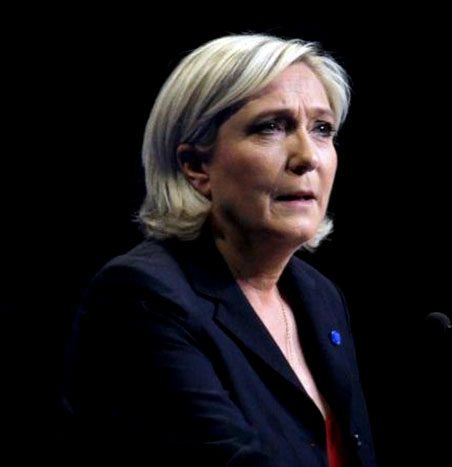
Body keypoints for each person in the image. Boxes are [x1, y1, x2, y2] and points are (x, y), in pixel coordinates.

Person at [60, 33, 376, 467]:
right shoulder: (142, 297)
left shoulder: (320, 296)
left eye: (322, 129)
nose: (308, 157)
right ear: (196, 166)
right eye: (271, 126)